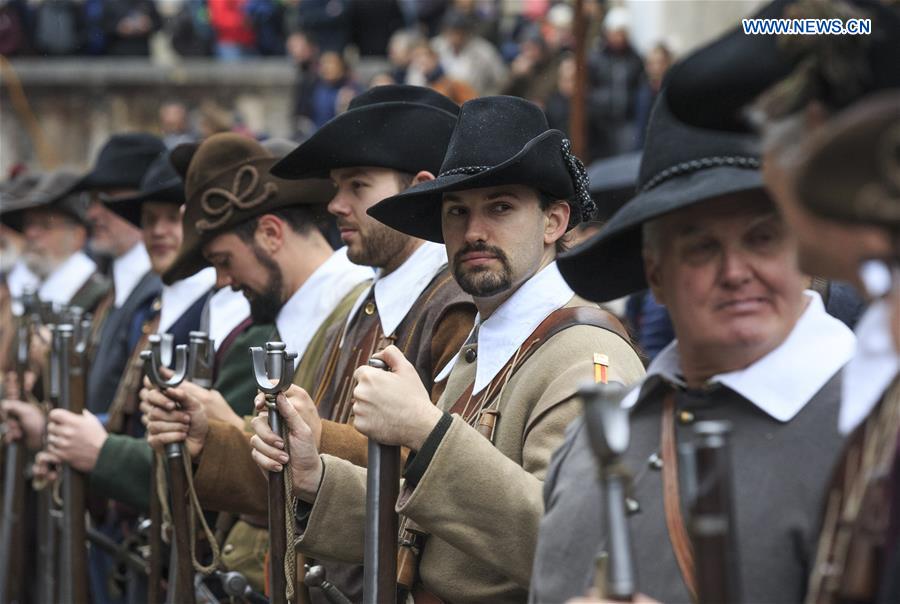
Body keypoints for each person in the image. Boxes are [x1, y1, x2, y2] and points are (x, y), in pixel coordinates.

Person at [249, 95, 645, 603]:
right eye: (457, 211)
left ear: (554, 222)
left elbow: (577, 543)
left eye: (500, 207)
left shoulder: (587, 358)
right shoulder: (490, 342)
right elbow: (427, 528)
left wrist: (425, 431)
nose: (473, 232)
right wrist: (314, 476)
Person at [144, 85, 478, 603]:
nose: (335, 203)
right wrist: (211, 437)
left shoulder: (456, 310)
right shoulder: (355, 312)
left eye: (357, 186)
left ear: (419, 189)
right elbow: (299, 475)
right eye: (337, 186)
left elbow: (434, 485)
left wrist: (295, 438)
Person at [530, 93, 856, 603]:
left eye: (763, 237)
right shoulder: (593, 438)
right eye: (701, 246)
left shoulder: (874, 432)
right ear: (656, 275)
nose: (734, 272)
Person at [0, 170, 110, 314]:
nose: (31, 234)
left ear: (77, 236)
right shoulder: (28, 288)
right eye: (28, 224)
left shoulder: (97, 297)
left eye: (45, 225)